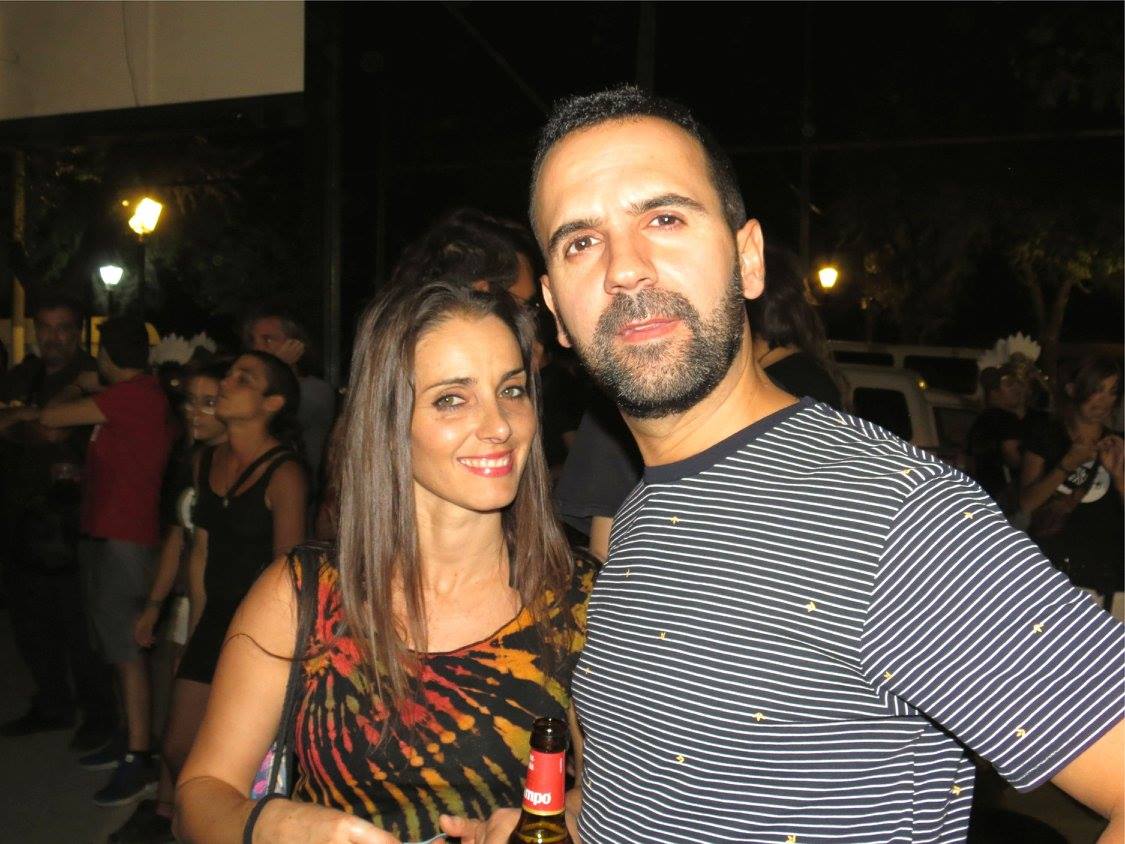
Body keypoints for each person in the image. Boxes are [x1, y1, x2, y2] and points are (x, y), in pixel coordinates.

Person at [461, 85, 1120, 842]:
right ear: (555, 310)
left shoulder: (895, 513)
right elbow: (664, 793)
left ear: (747, 260)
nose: (625, 269)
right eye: (581, 241)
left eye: (664, 219)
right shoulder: (639, 515)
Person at [176, 280, 593, 844]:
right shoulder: (300, 595)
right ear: (389, 419)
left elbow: (629, 793)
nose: (499, 425)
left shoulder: (581, 599)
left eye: (512, 390)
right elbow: (199, 796)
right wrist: (282, 826)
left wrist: (559, 820)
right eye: (453, 398)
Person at [553, 244, 842, 559]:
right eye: (582, 244)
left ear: (749, 279)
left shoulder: (780, 392)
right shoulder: (810, 379)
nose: (627, 275)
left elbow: (605, 550)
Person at [19, 315, 176, 806]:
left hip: (125, 535)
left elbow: (50, 417)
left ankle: (139, 754)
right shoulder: (134, 395)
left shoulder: (131, 395)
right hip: (112, 531)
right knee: (113, 643)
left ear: (106, 355)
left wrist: (75, 386)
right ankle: (130, 737)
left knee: (127, 648)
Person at [109, 357, 232, 843]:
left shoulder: (247, 465)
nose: (194, 411)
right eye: (190, 401)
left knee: (201, 729)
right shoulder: (194, 459)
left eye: (209, 402)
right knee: (177, 716)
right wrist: (155, 605)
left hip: (224, 612)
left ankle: (188, 817)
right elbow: (177, 539)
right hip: (188, 606)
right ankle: (165, 810)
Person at [0, 295, 116, 750]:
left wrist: (19, 421)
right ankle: (52, 703)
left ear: (79, 331)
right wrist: (28, 420)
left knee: (80, 626)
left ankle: (100, 715)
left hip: (76, 522)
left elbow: (55, 430)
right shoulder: (22, 374)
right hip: (20, 518)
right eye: (46, 327)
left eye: (63, 327)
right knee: (30, 621)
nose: (54, 337)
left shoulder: (91, 377)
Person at [1019, 355, 1123, 605]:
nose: (1104, 401)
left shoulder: (1117, 444)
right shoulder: (1046, 435)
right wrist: (1067, 464)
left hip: (1107, 571)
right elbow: (1025, 504)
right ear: (1073, 390)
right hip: (1053, 569)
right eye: (1097, 390)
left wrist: (1120, 477)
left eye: (1112, 392)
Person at [243, 305, 335, 487]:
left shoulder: (316, 390)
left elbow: (271, 422)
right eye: (253, 341)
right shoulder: (250, 390)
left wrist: (278, 366)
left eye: (268, 340)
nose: (258, 348)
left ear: (295, 345)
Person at [966, 364, 1027, 512]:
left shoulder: (980, 421)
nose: (1017, 389)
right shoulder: (1006, 419)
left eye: (1018, 384)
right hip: (1005, 496)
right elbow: (1011, 453)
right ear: (993, 391)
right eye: (1009, 385)